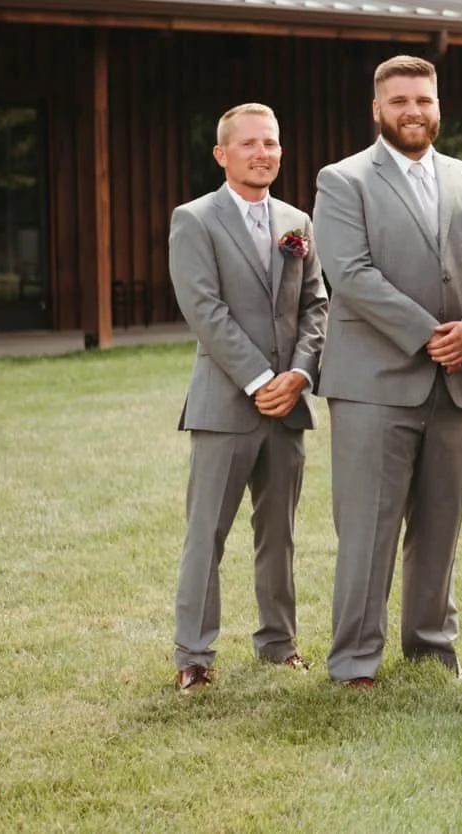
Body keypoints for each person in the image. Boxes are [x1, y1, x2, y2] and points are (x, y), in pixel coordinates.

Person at [313, 55, 462, 687]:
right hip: (374, 382)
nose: (413, 111)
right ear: (377, 109)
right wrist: (429, 335)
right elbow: (352, 276)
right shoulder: (343, 180)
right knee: (368, 525)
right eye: (399, 102)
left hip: (459, 378)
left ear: (438, 105)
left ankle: (431, 649)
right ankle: (356, 660)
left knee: (442, 523)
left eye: (423, 100)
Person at [167, 102, 327, 690]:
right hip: (226, 403)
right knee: (206, 530)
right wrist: (262, 380)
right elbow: (204, 310)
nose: (264, 154)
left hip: (290, 404)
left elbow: (316, 305)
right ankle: (194, 655)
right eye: (250, 144)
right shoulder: (195, 219)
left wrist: (301, 375)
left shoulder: (297, 221)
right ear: (222, 154)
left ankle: (278, 643)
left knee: (278, 530)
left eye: (272, 144)